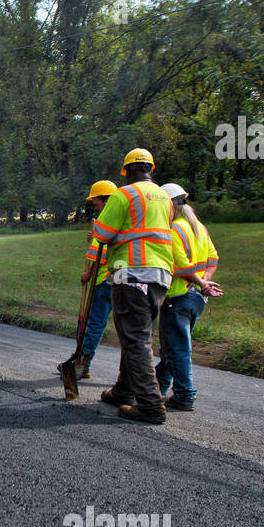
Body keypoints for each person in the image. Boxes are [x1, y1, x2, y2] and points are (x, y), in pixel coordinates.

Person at [89, 149, 176, 424]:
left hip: (132, 274)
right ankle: (124, 391)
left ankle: (150, 404)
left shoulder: (123, 195)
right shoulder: (164, 197)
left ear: (126, 172)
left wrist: (95, 227)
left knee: (136, 340)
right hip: (160, 276)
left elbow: (102, 234)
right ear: (151, 168)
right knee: (134, 334)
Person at [156, 183, 223, 411]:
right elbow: (212, 259)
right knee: (173, 346)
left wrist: (200, 282)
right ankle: (158, 386)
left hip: (178, 296)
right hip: (197, 299)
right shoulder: (199, 227)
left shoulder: (174, 230)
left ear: (169, 205)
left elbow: (181, 267)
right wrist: (204, 282)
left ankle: (184, 395)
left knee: (177, 349)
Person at [59, 179, 118, 380]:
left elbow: (98, 254)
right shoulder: (122, 217)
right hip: (116, 279)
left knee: (94, 324)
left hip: (103, 280)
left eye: (96, 203)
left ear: (105, 200)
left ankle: (81, 365)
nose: (95, 206)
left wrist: (88, 274)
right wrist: (94, 238)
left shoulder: (107, 218)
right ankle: (82, 362)